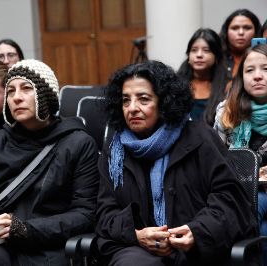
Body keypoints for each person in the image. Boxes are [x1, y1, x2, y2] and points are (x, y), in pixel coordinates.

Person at [96, 60, 254, 266]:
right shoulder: (115, 149)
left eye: (143, 99)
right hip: (136, 250)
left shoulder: (199, 138)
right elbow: (105, 212)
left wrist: (197, 232)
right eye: (126, 100)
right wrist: (136, 234)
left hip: (198, 251)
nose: (132, 108)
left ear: (164, 102)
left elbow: (230, 200)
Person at [0, 59, 99, 265]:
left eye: (26, 88)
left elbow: (85, 214)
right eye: (10, 91)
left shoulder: (78, 143)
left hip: (49, 244)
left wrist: (24, 229)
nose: (16, 98)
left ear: (46, 95)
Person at [214, 44, 267, 265]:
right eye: (249, 70)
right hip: (236, 190)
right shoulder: (227, 112)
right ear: (240, 77)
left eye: (265, 68)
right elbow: (215, 162)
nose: (257, 76)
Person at [177, 28, 228, 125]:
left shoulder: (227, 87)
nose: (199, 55)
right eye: (194, 50)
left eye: (206, 50)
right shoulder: (176, 85)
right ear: (188, 56)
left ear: (216, 57)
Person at [219, 9, 261, 83]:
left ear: (256, 31)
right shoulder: (216, 58)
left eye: (247, 28)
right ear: (226, 32)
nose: (241, 32)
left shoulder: (265, 57)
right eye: (235, 28)